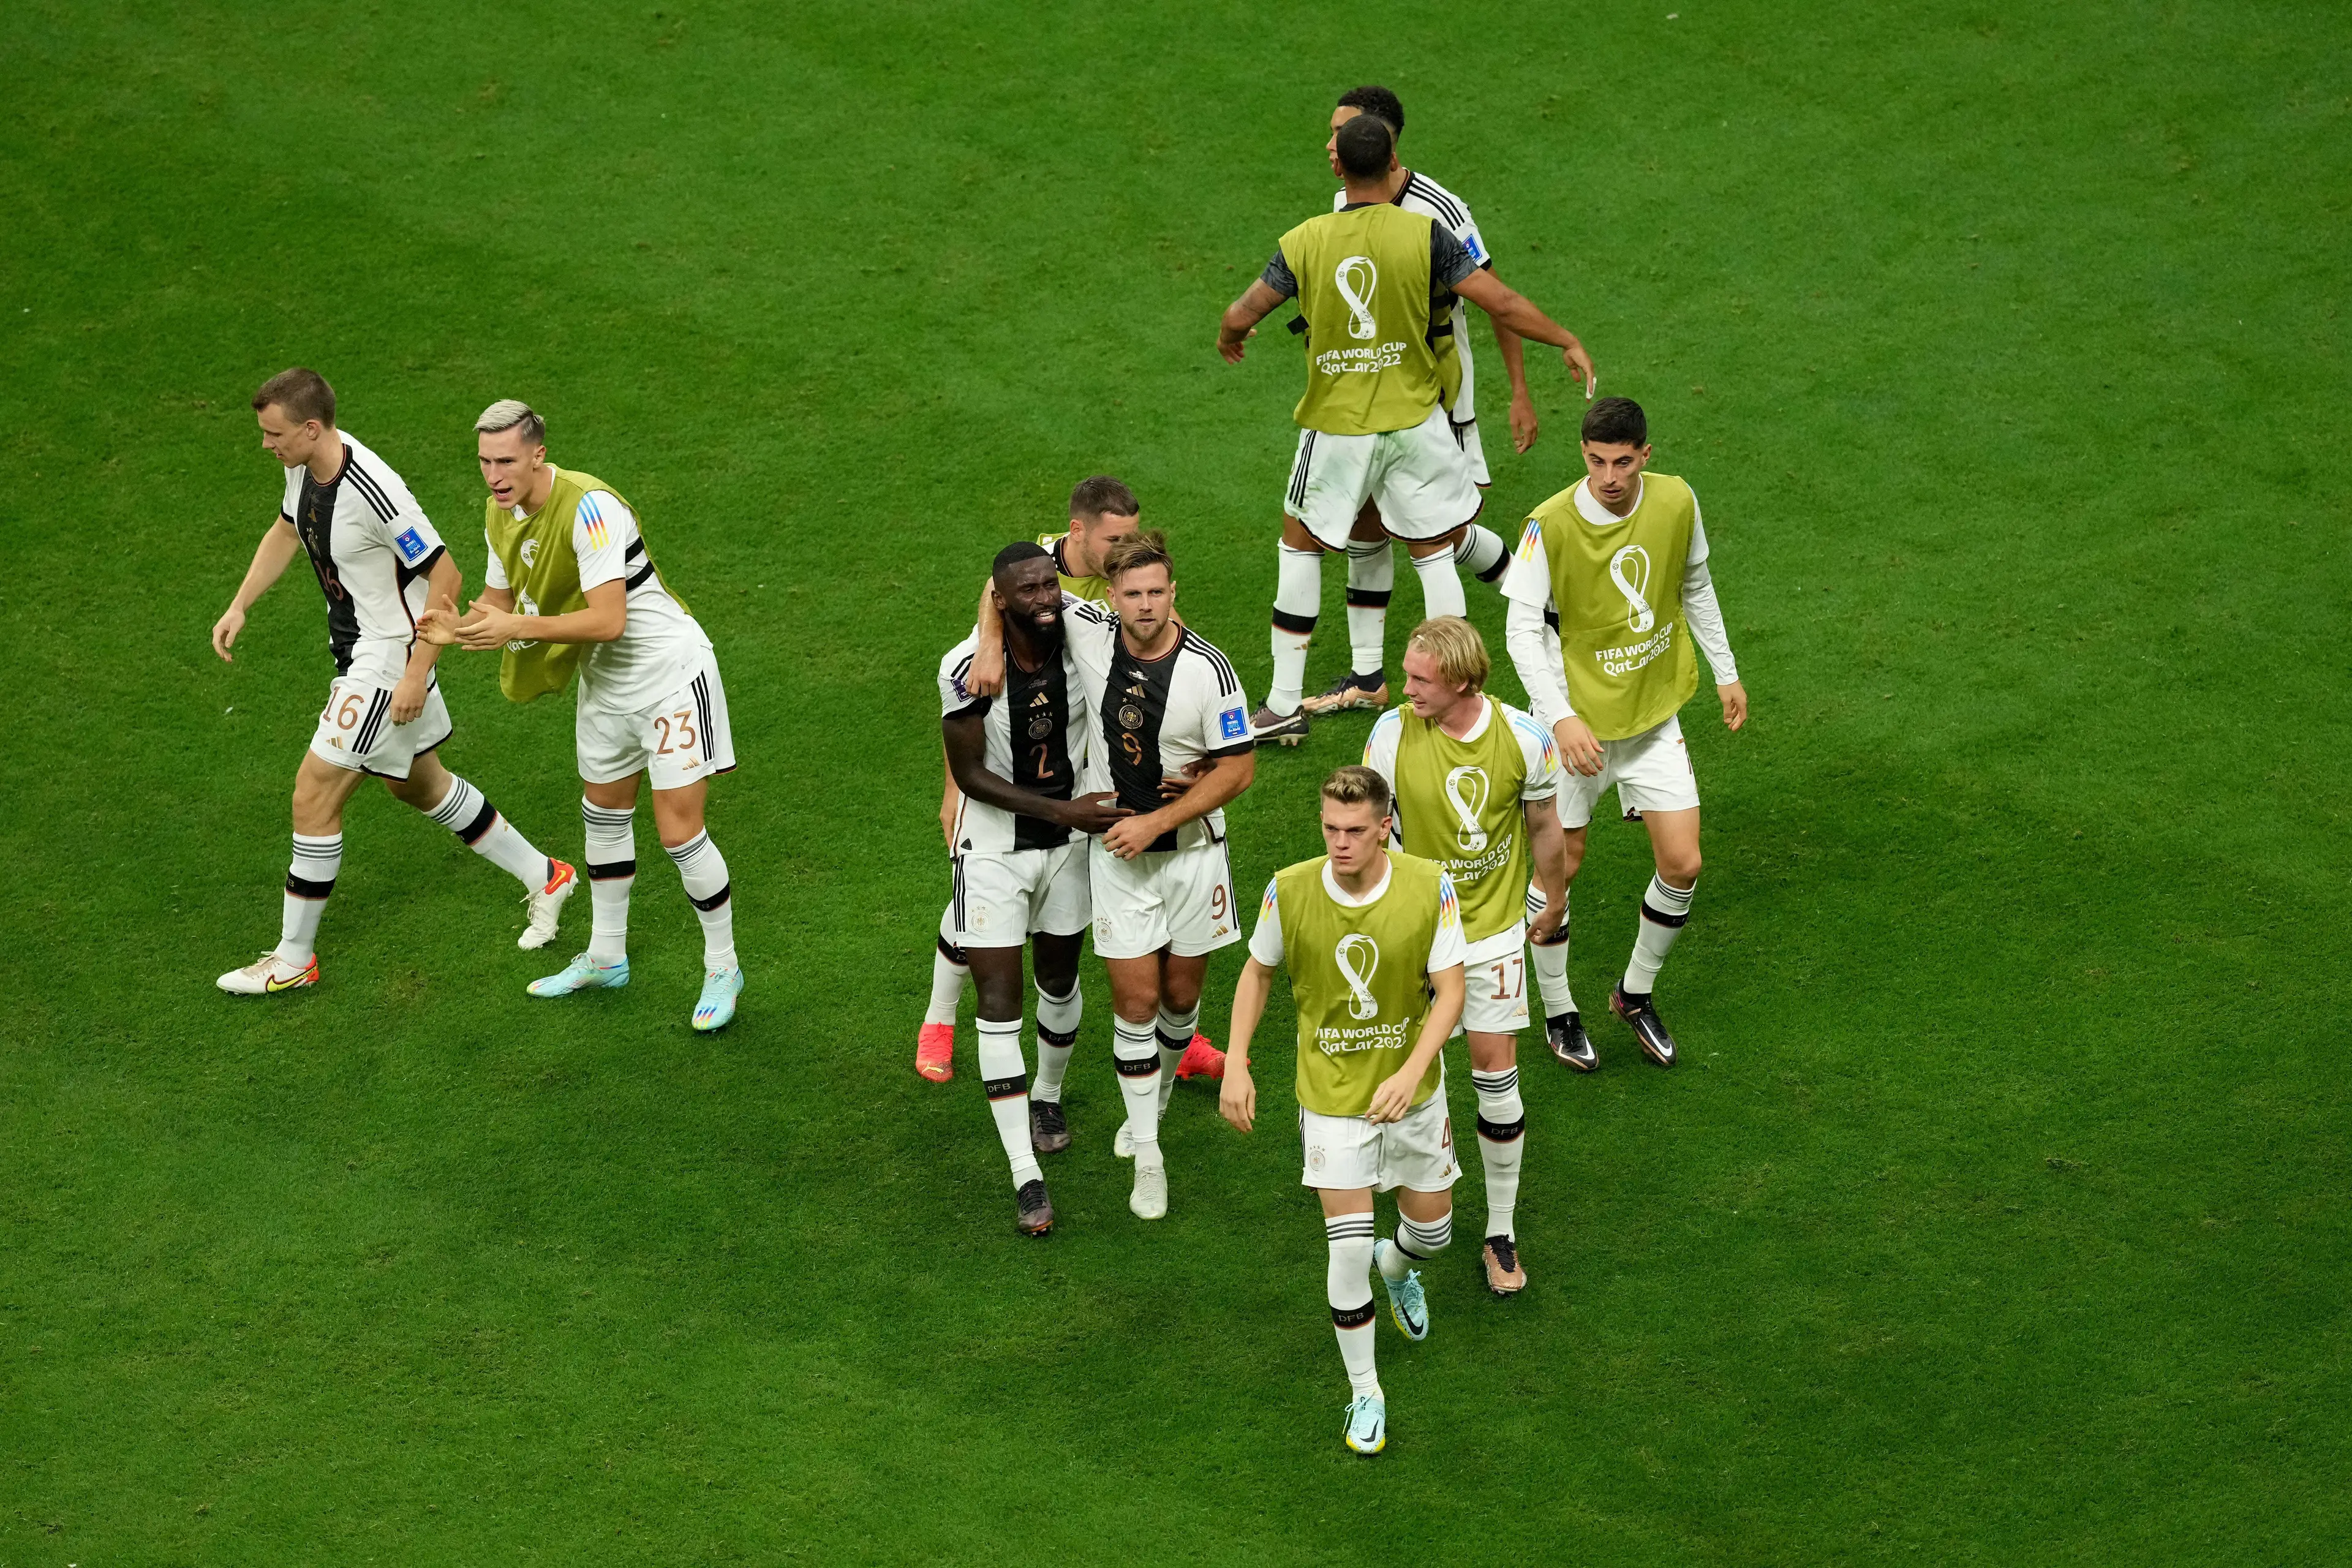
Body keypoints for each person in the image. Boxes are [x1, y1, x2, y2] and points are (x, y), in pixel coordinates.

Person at [1216, 110, 1595, 745]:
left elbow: (1245, 309)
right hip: (1418, 419)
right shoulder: (1426, 234)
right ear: (1392, 162)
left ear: (1338, 165)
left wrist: (1231, 333)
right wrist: (1565, 338)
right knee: (1433, 548)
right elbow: (1499, 300)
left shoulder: (1304, 239)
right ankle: (1459, 698)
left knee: (1301, 544)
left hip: (1338, 423)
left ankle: (1283, 702)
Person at [211, 368, 573, 993]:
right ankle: (547, 876)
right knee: (417, 785)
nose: (267, 445)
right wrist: (241, 603)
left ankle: (294, 959)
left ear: (311, 428)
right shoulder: (303, 464)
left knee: (313, 794)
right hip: (361, 650)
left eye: (274, 435)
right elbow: (286, 528)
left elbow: (448, 578)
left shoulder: (376, 491)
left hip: (388, 657)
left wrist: (415, 673)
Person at [420, 400, 745, 1031]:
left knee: (679, 832)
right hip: (605, 683)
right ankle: (605, 956)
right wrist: (456, 628)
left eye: (506, 460)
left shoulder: (592, 509)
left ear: (538, 452)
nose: (493, 474)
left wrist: (516, 625)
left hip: (670, 677)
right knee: (603, 815)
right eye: (484, 461)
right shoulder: (501, 511)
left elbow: (609, 619)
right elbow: (496, 600)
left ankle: (723, 966)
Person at [918, 479, 1200, 1084]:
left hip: (1093, 762)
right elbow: (975, 678)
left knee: (1140, 885)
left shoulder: (1130, 579)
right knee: (986, 887)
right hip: (1015, 756)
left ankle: (1177, 1030)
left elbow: (1169, 649)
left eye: (1136, 536)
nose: (1130, 548)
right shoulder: (1043, 574)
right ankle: (939, 1019)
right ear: (1077, 533)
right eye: (1116, 539)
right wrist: (953, 785)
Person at [1219, 766, 1467, 1455]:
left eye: (1355, 830)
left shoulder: (1428, 885)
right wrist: (1236, 1061)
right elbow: (1257, 971)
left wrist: (1412, 1069)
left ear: (1385, 825)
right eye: (1331, 828)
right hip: (1330, 1097)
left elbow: (1451, 990)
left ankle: (1401, 1266)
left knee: (1434, 1234)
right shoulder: (1290, 889)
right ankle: (1366, 1392)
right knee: (1348, 1245)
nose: (1341, 842)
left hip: (1413, 1096)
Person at [1500, 398, 1748, 1068]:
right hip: (1575, 727)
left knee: (1683, 862)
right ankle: (1558, 1010)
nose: (1608, 475)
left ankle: (1633, 993)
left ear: (1646, 455)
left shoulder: (1676, 503)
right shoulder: (1547, 525)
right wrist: (1561, 717)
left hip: (1650, 714)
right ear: (1583, 454)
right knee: (1563, 865)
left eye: (1622, 461)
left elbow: (1695, 583)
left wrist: (1726, 671)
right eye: (1595, 460)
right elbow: (1521, 632)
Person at [1302, 86, 1551, 718]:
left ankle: (1542, 607)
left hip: (1434, 402)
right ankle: (1365, 676)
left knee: (1444, 533)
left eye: (1342, 132)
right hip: (1370, 398)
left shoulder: (1441, 209)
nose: (1330, 144)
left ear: (1381, 143)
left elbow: (1498, 299)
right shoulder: (1347, 199)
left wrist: (1518, 392)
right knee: (1370, 523)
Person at [1053, 533, 1253, 1219]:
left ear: (1175, 593)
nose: (1145, 605)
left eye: (1156, 592)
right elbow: (1011, 570)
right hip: (1119, 859)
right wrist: (990, 643)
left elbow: (1238, 769)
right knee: (1135, 1003)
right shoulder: (1089, 631)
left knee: (1179, 999)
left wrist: (1158, 823)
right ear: (1111, 596)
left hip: (1193, 855)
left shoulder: (1211, 671)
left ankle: (1159, 1096)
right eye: (1132, 593)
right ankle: (1148, 1154)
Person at [1363, 617, 1566, 1293]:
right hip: (1414, 934)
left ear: (1461, 680)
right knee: (1397, 1071)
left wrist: (1552, 897)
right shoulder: (1391, 735)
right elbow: (1369, 834)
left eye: (1421, 679)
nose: (1407, 687)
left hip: (1492, 933)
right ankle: (1392, 1196)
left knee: (1496, 1075)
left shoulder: (1526, 739)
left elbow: (1543, 826)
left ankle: (1500, 1233)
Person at [939, 543, 1130, 1235]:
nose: (1048, 598)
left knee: (1060, 976)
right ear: (1000, 599)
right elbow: (969, 775)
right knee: (999, 1001)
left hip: (1069, 850)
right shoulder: (964, 668)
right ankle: (1025, 1172)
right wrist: (1063, 812)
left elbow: (1142, 622)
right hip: (993, 850)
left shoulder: (1078, 626)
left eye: (1051, 584)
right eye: (1030, 591)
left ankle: (1047, 1093)